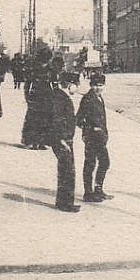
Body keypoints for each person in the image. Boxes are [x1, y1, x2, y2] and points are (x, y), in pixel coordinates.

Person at [76, 72, 111, 202]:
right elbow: (79, 119)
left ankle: (98, 190)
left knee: (103, 162)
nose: (98, 88)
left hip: (100, 137)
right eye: (95, 85)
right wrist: (91, 129)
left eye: (101, 85)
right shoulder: (88, 98)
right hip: (92, 137)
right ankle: (88, 193)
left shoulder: (99, 97)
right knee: (91, 164)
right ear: (91, 85)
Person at [50, 72, 79, 212]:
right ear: (70, 85)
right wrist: (62, 140)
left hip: (65, 139)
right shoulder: (60, 98)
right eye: (76, 85)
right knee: (67, 171)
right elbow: (57, 120)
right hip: (62, 140)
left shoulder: (60, 96)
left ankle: (64, 201)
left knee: (66, 170)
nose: (77, 88)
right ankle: (65, 203)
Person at [21, 47, 55, 149]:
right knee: (33, 118)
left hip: (47, 96)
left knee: (45, 119)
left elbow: (55, 84)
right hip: (36, 95)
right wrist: (27, 96)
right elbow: (28, 83)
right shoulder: (34, 68)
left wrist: (56, 97)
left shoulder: (50, 69)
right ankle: (31, 141)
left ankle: (41, 142)